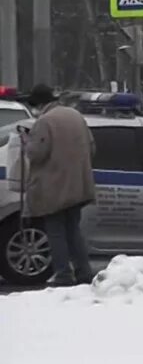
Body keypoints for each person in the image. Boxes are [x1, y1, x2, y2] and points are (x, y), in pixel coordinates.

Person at [21, 84, 97, 286]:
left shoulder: (45, 122)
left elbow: (36, 154)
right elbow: (92, 147)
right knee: (73, 230)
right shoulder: (75, 116)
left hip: (54, 186)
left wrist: (26, 142)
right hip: (78, 184)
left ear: (39, 104)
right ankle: (84, 272)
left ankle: (63, 274)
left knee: (56, 231)